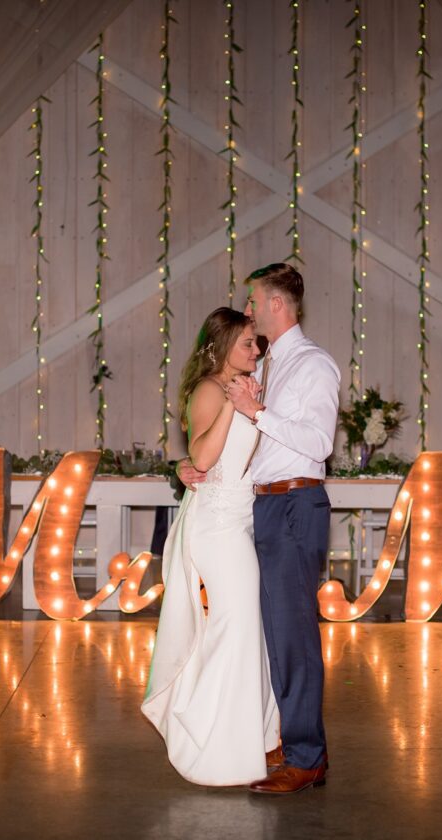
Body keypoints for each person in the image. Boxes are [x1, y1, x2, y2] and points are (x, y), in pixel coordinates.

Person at [179, 263, 341, 795]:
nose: (247, 310)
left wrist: (257, 412)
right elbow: (229, 438)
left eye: (253, 301)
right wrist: (194, 467)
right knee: (272, 631)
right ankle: (277, 737)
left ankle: (306, 757)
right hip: (260, 508)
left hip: (296, 502)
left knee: (293, 635)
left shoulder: (314, 365)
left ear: (275, 304)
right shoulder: (265, 367)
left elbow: (317, 444)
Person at [142, 307, 280, 786]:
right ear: (222, 347)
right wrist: (231, 405)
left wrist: (250, 403)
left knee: (245, 631)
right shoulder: (209, 390)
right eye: (247, 343)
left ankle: (257, 740)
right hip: (218, 529)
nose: (256, 350)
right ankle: (214, 745)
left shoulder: (250, 385)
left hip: (242, 522)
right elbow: (202, 455)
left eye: (257, 342)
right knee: (233, 629)